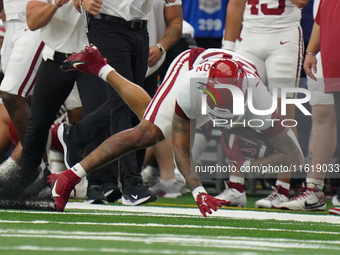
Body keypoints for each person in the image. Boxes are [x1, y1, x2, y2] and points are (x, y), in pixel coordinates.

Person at [47, 45, 303, 217]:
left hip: (236, 77)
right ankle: (69, 176)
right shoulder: (192, 87)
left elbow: (294, 157)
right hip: (192, 62)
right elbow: (180, 146)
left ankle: (100, 66)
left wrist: (248, 165)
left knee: (155, 124)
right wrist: (198, 191)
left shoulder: (260, 101)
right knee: (148, 132)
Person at [60, 0, 174, 206]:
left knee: (133, 103)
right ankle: (131, 184)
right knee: (123, 103)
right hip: (107, 26)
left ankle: (77, 134)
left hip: (140, 29)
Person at [222, 0, 309, 137]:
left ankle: (286, 157)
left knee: (284, 116)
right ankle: (245, 158)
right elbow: (236, 4)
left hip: (284, 39)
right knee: (242, 112)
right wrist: (227, 47)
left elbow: (301, 2)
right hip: (248, 38)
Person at [290, 0, 340, 215]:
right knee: (322, 120)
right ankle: (313, 191)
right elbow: (322, 17)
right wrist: (311, 51)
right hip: (330, 58)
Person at [0, 0, 44, 179]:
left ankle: (31, 169)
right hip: (10, 22)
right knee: (28, 102)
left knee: (11, 92)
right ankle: (40, 169)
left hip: (36, 22)